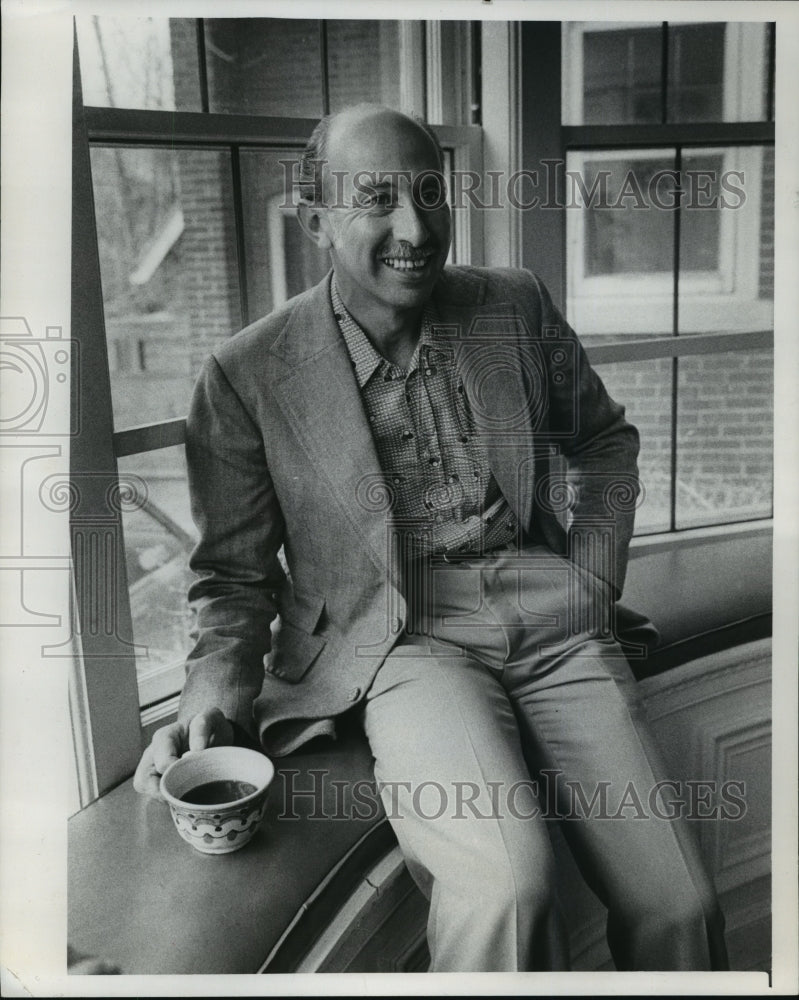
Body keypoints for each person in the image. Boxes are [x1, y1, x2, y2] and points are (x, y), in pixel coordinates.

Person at [134, 104, 728, 972]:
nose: (415, 229)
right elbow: (232, 579)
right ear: (316, 221)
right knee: (505, 885)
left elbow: (602, 441)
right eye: (376, 199)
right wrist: (208, 702)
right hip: (404, 643)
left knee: (679, 901)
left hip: (553, 619)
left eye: (429, 194)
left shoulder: (510, 304)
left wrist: (592, 578)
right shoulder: (246, 373)